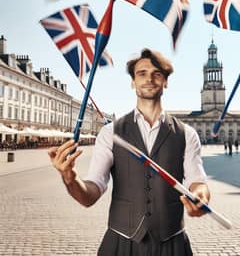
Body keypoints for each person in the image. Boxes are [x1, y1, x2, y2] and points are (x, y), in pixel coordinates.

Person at [48, 49, 210, 256]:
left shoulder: (187, 134)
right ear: (133, 82)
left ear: (166, 81)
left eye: (156, 74)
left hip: (172, 244)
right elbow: (90, 194)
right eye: (141, 73)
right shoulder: (110, 132)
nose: (149, 79)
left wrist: (201, 195)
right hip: (121, 242)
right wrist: (70, 178)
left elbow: (198, 181)